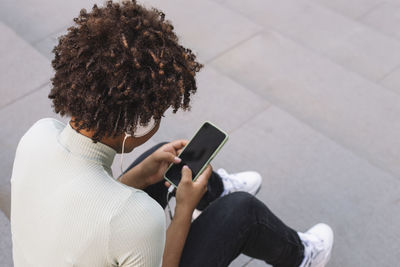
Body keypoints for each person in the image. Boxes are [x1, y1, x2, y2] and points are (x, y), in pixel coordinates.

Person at [10, 1, 334, 266]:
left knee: (163, 159)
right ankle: (303, 256)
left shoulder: (37, 135)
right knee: (241, 212)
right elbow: (116, 220)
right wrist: (182, 214)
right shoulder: (137, 218)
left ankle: (211, 189)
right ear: (135, 125)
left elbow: (88, 211)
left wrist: (137, 175)